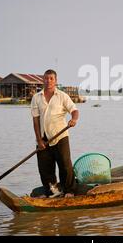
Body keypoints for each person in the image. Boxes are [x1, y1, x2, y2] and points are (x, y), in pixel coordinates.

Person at [31, 69, 80, 198]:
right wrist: (39, 140)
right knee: (45, 168)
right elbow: (35, 121)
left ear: (56, 80)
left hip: (60, 136)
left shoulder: (62, 96)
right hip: (43, 138)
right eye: (46, 78)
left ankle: (69, 190)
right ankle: (53, 192)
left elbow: (74, 110)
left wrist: (73, 119)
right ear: (43, 80)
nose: (48, 81)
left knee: (65, 164)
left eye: (51, 78)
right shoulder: (36, 97)